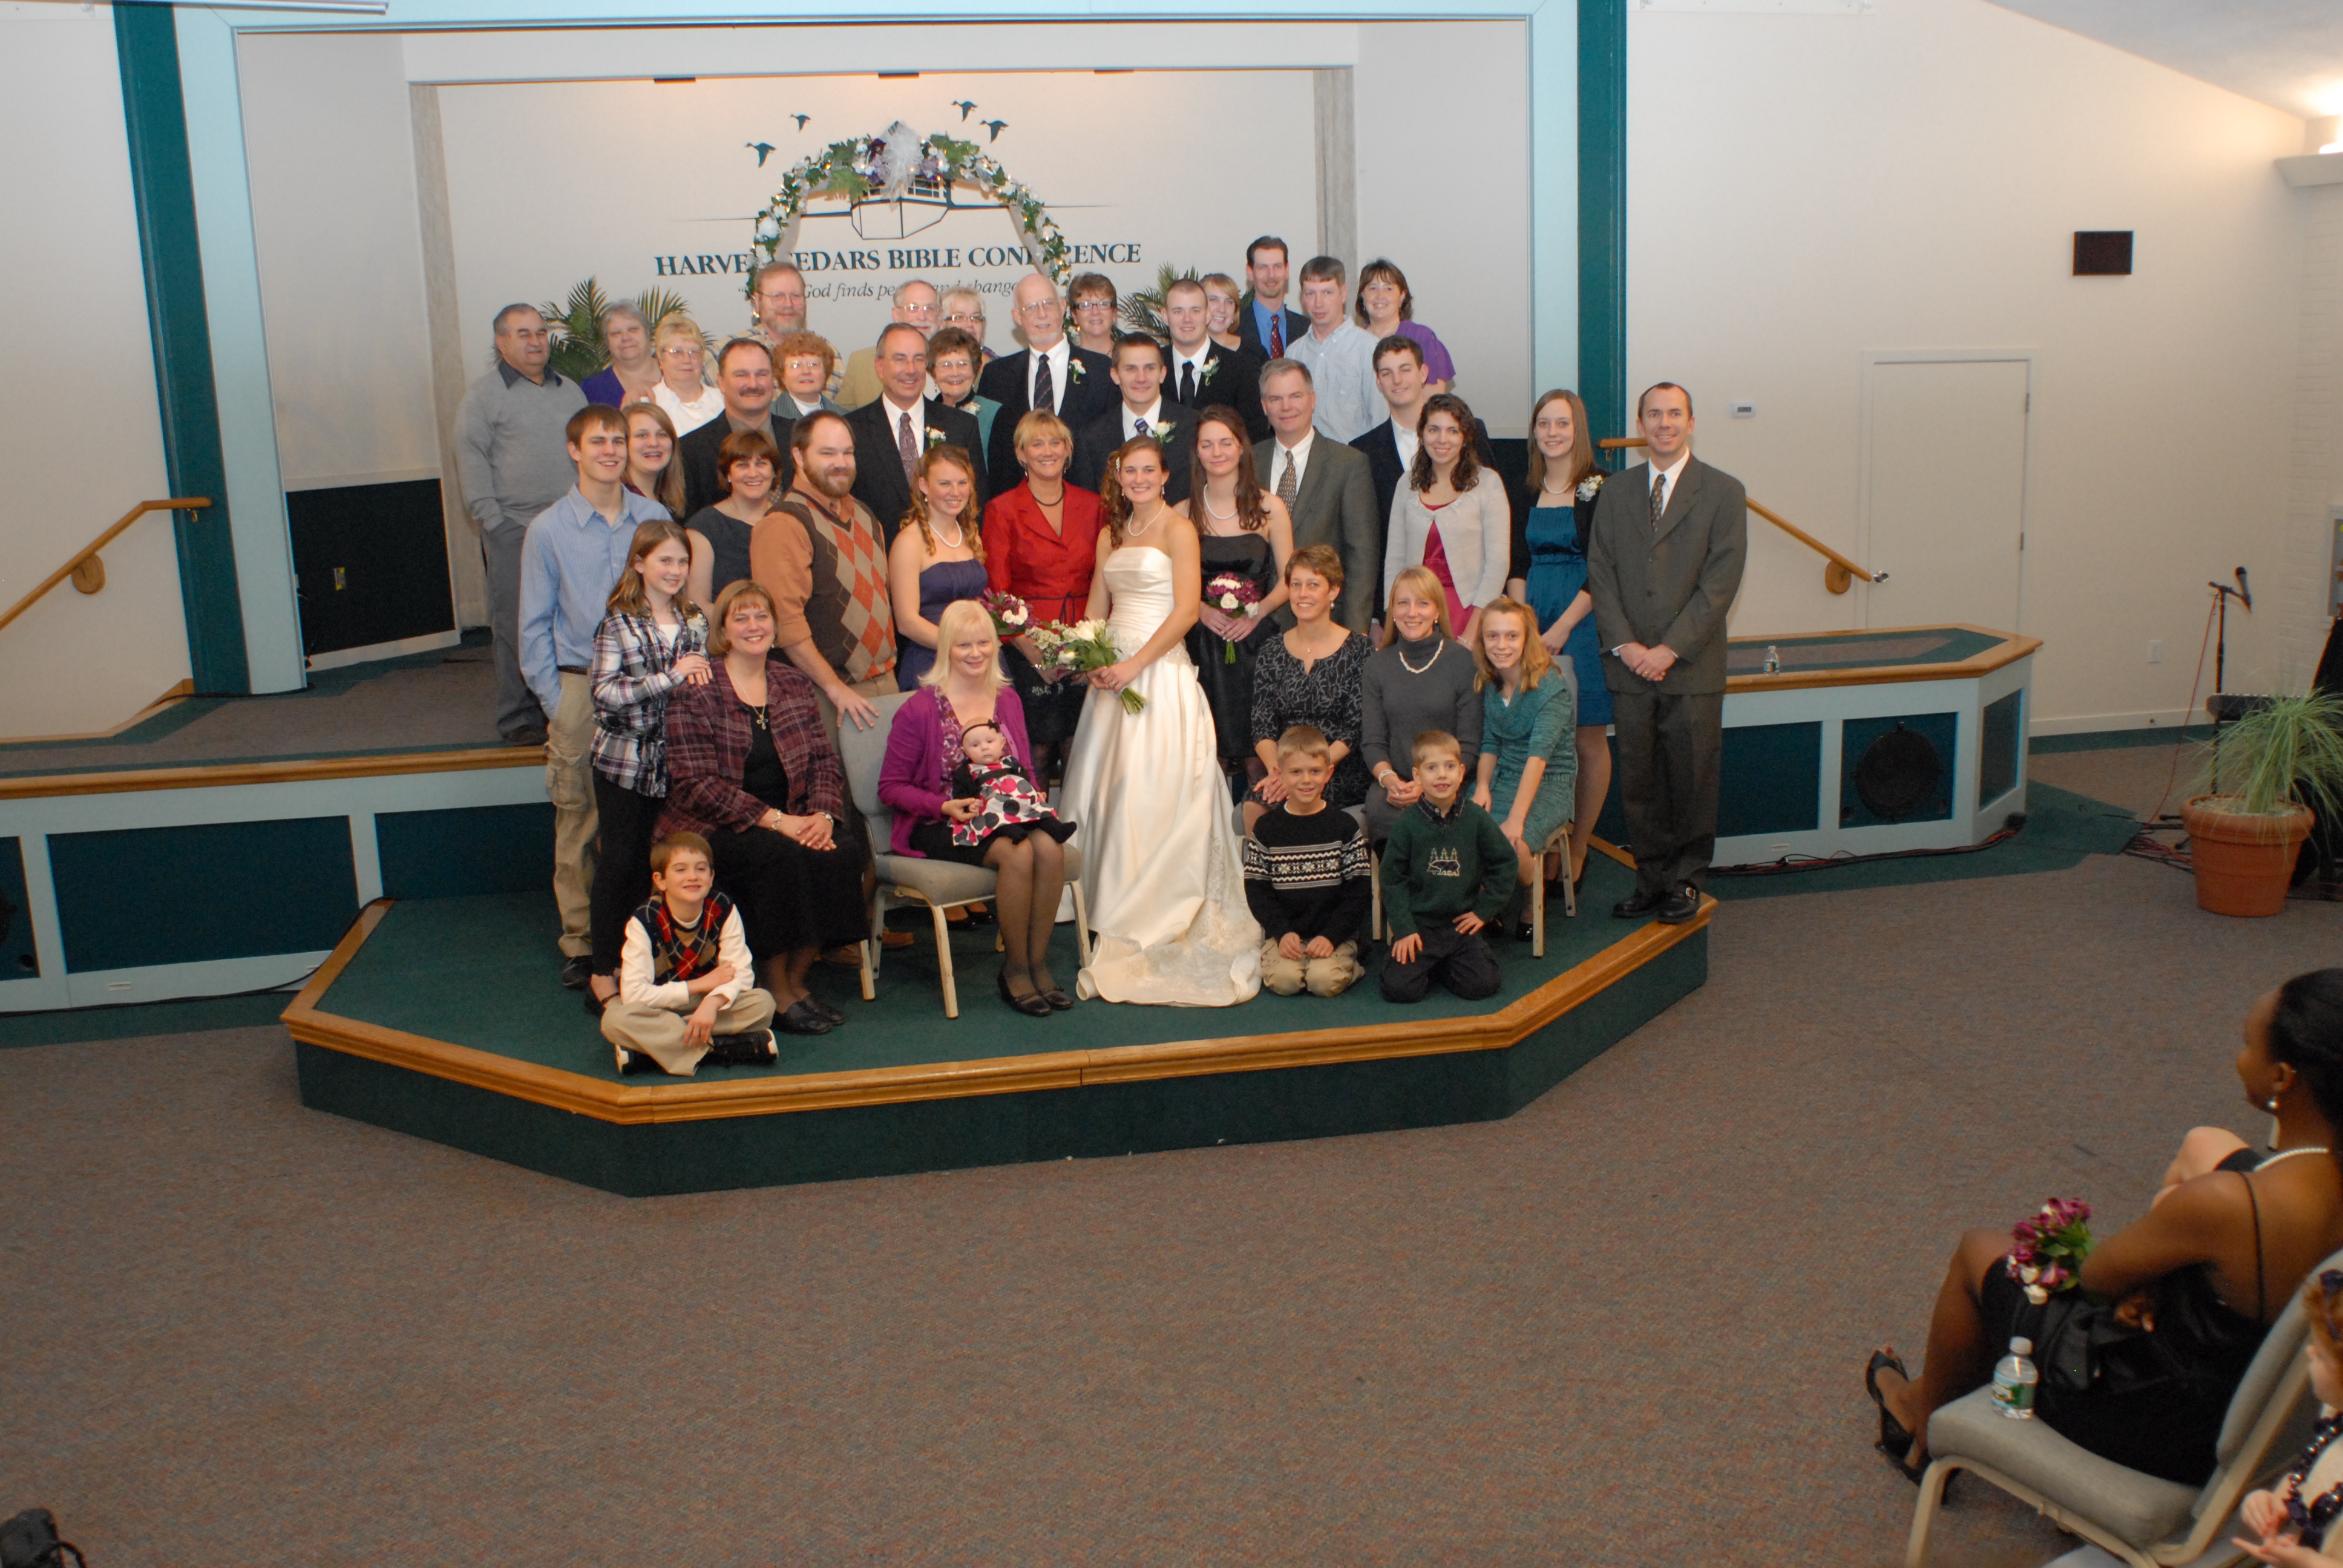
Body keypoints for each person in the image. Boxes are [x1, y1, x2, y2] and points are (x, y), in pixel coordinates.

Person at [1869, 973, 2343, 1489]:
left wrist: (2149, 1276)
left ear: (2282, 1077)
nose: (2239, 1057)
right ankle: (1927, 1396)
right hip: (2264, 1421)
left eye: (2247, 1044)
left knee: (1978, 1251)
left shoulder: (2228, 1204)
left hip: (2156, 1422)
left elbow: (2098, 1276)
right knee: (2205, 1151)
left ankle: (1919, 1427)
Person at [1057, 437, 1262, 1006]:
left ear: (1166, 476)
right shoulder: (1111, 533)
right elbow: (1097, 606)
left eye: (1149, 470)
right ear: (1119, 477)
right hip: (1111, 679)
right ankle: (1099, 899)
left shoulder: (1179, 530)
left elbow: (1187, 610)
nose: (1139, 479)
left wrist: (1134, 666)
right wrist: (1091, 655)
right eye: (1130, 471)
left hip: (1158, 673)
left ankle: (1147, 902)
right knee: (1107, 789)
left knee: (1150, 789)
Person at [658, 580, 869, 1037]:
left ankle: (798, 979)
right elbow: (695, 784)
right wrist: (778, 822)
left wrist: (822, 816)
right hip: (715, 825)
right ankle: (774, 989)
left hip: (794, 815)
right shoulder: (698, 689)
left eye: (762, 616)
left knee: (842, 850)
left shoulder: (793, 682)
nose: (754, 626)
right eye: (742, 618)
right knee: (778, 857)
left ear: (775, 626)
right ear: (723, 631)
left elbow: (823, 760)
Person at [519, 403, 673, 990]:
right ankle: (584, 943)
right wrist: (559, 703)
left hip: (651, 685)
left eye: (618, 441)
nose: (610, 451)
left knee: (648, 816)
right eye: (598, 442)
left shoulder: (652, 516)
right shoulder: (548, 530)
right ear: (574, 451)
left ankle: (645, 932)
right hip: (581, 686)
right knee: (581, 818)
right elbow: (532, 626)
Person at [1585, 381, 1747, 926]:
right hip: (1629, 667)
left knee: (1692, 780)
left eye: (1674, 414)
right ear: (1641, 424)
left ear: (1691, 422)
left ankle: (1686, 881)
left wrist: (1670, 649)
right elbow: (1601, 572)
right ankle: (1651, 880)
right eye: (1654, 414)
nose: (1664, 423)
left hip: (1692, 668)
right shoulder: (1616, 492)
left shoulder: (1723, 492)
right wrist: (1629, 646)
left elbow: (1720, 584)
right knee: (1640, 782)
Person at [877, 600, 1074, 1014]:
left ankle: (1038, 964)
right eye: (963, 644)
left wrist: (1034, 799)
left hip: (1005, 812)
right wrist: (943, 805)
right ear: (946, 648)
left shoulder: (1008, 699)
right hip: (941, 820)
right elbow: (890, 788)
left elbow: (1024, 766)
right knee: (1017, 854)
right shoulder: (920, 708)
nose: (975, 653)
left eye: (983, 643)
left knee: (1050, 847)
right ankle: (1015, 971)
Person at [585, 520, 710, 1012]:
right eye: (665, 560)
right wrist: (669, 678)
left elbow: (700, 681)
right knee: (619, 863)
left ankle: (641, 965)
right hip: (625, 762)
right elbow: (604, 693)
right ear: (639, 563)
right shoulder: (618, 623)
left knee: (655, 868)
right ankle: (602, 970)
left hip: (675, 763)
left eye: (682, 561)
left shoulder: (694, 619)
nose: (675, 570)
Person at [456, 302, 586, 745]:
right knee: (517, 625)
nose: (535, 342)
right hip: (514, 527)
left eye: (541, 332)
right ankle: (519, 717)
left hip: (571, 525)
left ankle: (569, 711)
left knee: (571, 619)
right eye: (523, 334)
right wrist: (493, 521)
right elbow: (470, 456)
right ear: (502, 343)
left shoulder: (570, 391)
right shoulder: (482, 397)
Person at [1507, 389, 1613, 887]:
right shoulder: (1524, 489)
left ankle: (1580, 844)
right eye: (1544, 423)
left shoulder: (1599, 487)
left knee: (1586, 738)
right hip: (1531, 621)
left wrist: (1563, 627)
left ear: (1578, 430)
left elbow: (1603, 567)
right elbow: (1516, 563)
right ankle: (1546, 836)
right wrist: (1525, 625)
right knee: (1540, 737)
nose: (1552, 433)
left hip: (1582, 621)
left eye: (1562, 423)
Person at [750, 411, 895, 734]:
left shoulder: (865, 515)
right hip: (827, 695)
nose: (841, 463)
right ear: (799, 457)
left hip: (885, 683)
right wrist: (834, 688)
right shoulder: (784, 524)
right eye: (827, 453)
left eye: (847, 452)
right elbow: (785, 623)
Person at [981, 410, 1102, 783]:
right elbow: (995, 593)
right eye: (1037, 444)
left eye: (1055, 443)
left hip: (1085, 642)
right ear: (1021, 454)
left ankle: (1078, 818)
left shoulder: (1094, 506)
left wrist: (1093, 648)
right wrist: (1032, 652)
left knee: (1082, 745)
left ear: (1068, 451)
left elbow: (1106, 578)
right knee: (1040, 747)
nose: (1047, 451)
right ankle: (1039, 814)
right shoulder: (1001, 510)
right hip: (1027, 645)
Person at [601, 832, 779, 1076]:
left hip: (706, 1005)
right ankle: (722, 1049)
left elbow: (742, 975)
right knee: (615, 1020)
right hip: (660, 1007)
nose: (693, 876)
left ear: (711, 876)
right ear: (661, 880)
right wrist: (701, 984)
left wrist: (712, 1003)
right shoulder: (645, 920)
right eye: (680, 870)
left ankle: (654, 1051)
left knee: (763, 1004)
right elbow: (635, 994)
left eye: (701, 869)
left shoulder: (723, 909)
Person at [1184, 406, 1292, 784]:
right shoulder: (1184, 512)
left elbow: (1290, 579)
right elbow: (1172, 582)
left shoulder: (1270, 508)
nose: (1217, 452)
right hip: (1202, 642)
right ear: (1197, 451)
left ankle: (1258, 818)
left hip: (1254, 643)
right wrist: (1200, 610)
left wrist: (1257, 613)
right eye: (1207, 444)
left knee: (1257, 754)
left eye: (1225, 443)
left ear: (1242, 447)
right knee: (1205, 751)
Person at [1470, 597, 1577, 936]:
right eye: (1493, 636)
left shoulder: (1551, 688)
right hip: (1502, 776)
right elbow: (1490, 743)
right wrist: (1482, 786)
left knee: (1512, 847)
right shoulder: (1492, 682)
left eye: (1512, 636)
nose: (1501, 645)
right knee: (1464, 833)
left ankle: (1532, 893)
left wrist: (1516, 819)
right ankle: (1489, 901)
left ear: (1527, 639)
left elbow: (1538, 758)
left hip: (1548, 782)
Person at [1378, 730, 1510, 1004]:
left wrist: (1484, 911)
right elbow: (1392, 880)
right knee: (1399, 989)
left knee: (1484, 985)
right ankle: (1432, 965)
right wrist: (1404, 929)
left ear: (1461, 773)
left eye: (1450, 767)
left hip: (1461, 926)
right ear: (1417, 776)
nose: (1441, 775)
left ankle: (1443, 966)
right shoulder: (1406, 824)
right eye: (1432, 768)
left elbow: (1505, 862)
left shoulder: (1476, 818)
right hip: (1420, 926)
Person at [1245, 546, 1369, 832]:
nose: (1303, 594)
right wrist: (1281, 771)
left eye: (1313, 585)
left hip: (1336, 767)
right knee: (1254, 805)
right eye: (1296, 585)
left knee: (1308, 801)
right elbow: (1262, 725)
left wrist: (1312, 772)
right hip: (1285, 766)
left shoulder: (1359, 649)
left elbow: (1354, 730)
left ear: (1333, 591)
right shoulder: (1272, 649)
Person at [1242, 725, 1371, 999]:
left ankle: (1350, 964)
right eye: (1296, 772)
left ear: (1328, 773)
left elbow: (1358, 892)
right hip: (1287, 935)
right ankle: (1292, 959)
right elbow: (1257, 891)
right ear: (1279, 774)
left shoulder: (1344, 826)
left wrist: (1332, 936)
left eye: (1315, 771)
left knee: (1323, 982)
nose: (1306, 780)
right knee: (1285, 983)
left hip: (1333, 934)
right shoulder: (1266, 829)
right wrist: (1281, 933)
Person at [1353, 336, 1501, 569]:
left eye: (1405, 369)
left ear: (1423, 374)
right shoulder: (1362, 452)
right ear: (1378, 382)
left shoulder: (1469, 433)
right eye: (1387, 373)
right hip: (1399, 583)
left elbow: (1495, 516)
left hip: (1467, 580)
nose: (1397, 380)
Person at [1361, 566, 1483, 848]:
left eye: (1423, 603)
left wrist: (1428, 784)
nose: (1412, 612)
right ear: (1392, 611)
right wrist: (1389, 780)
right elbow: (1373, 742)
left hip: (1449, 783)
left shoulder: (1464, 662)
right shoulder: (1377, 665)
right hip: (1394, 787)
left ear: (1438, 610)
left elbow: (1470, 744)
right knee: (1381, 812)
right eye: (1403, 603)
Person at [1254, 361, 1378, 636]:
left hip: (1326, 626)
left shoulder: (1348, 464)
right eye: (1276, 399)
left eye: (1295, 396)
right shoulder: (1248, 462)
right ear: (1264, 406)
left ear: (1313, 400)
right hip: (1255, 628)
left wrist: (1355, 635)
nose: (1286, 407)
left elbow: (1362, 557)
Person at [1383, 392, 1509, 648]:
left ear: (1465, 437)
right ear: (1422, 433)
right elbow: (1395, 560)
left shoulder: (1488, 483)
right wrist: (1394, 620)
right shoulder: (1406, 484)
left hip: (1470, 613)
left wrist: (1471, 634)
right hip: (1416, 615)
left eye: (1453, 431)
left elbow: (1498, 564)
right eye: (1434, 430)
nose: (1442, 439)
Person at [2235, 1272, 2343, 1565]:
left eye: (2321, 1354)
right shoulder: (2336, 1415)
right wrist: (2271, 1503)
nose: (2310, 1351)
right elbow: (2308, 1478)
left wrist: (2308, 1563)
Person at [977, 273, 1118, 495]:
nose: (1042, 314)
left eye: (1048, 304)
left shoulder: (1103, 371)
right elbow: (993, 458)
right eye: (1031, 307)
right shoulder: (996, 376)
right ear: (1017, 316)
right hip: (1017, 507)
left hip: (1089, 504)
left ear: (1062, 307)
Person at [845, 321, 983, 546]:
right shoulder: (852, 430)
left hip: (948, 558)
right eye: (900, 359)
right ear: (880, 367)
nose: (910, 369)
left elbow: (977, 506)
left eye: (919, 359)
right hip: (877, 557)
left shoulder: (961, 426)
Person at [887, 445, 988, 689]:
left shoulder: (972, 536)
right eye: (945, 484)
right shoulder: (909, 542)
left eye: (962, 483)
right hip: (932, 662)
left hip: (977, 662)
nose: (955, 492)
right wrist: (959, 648)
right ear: (924, 486)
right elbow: (907, 622)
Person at [676, 338, 794, 518]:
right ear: (721, 383)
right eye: (741, 375)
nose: (753, 384)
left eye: (762, 374)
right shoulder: (690, 451)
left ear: (773, 381)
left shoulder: (801, 439)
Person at [1072, 334, 1196, 503]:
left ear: (1162, 373)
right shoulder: (1092, 438)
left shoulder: (1193, 427)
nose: (1141, 378)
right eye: (1131, 369)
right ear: (1115, 375)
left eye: (1150, 368)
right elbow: (1090, 505)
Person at [683, 427, 780, 610]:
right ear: (728, 474)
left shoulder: (789, 520)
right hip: (722, 627)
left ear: (774, 472)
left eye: (761, 464)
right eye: (742, 465)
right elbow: (697, 605)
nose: (753, 473)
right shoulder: (704, 527)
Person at [1287, 256, 1381, 445]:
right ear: (1303, 298)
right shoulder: (1294, 354)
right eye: (1311, 294)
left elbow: (1379, 421)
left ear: (1343, 293)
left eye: (1328, 293)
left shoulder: (1369, 349)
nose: (1319, 303)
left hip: (1352, 458)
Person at [1164, 277, 1266, 442]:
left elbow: (1255, 436)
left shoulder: (1241, 367)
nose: (1187, 319)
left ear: (1207, 315)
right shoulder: (1152, 366)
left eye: (1195, 311)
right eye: (1178, 311)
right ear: (1165, 315)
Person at [749, 260, 844, 405]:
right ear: (757, 301)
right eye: (778, 296)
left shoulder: (827, 351)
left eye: (796, 296)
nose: (788, 304)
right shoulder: (727, 353)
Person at [1355, 260, 1455, 394]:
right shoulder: (1352, 341)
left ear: (1402, 297)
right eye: (1373, 288)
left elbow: (1432, 401)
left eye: (1388, 288)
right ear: (1363, 296)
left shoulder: (1422, 337)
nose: (1380, 296)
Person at [838, 278, 939, 410]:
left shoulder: (958, 364)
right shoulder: (861, 362)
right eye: (913, 308)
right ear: (896, 314)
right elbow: (841, 417)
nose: (922, 317)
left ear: (940, 316)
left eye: (929, 308)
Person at [929, 326, 1000, 454]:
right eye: (946, 365)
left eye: (962, 364)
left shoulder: (996, 414)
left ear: (974, 370)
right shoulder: (925, 415)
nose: (955, 373)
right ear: (933, 374)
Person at [650, 315, 724, 437]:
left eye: (694, 352)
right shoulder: (649, 406)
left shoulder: (724, 400)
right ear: (660, 358)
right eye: (677, 352)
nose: (687, 360)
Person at [581, 302, 661, 410]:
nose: (626, 338)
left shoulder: (675, 374)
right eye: (616, 333)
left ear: (647, 333)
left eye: (633, 329)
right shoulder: (592, 389)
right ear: (607, 342)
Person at [1237, 237, 1306, 362]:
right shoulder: (1234, 328)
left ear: (1287, 270)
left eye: (1277, 266)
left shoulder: (1307, 329)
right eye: (1263, 267)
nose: (1271, 275)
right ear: (1250, 273)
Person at [623, 402, 686, 521]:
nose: (654, 443)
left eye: (662, 435)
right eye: (642, 435)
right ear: (623, 444)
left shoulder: (669, 504)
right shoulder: (618, 504)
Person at [776, 329, 841, 420]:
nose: (806, 371)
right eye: (796, 365)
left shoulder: (845, 418)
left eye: (813, 365)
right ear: (782, 376)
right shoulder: (767, 417)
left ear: (825, 373)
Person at [1067, 272, 1119, 358]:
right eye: (1086, 305)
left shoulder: (1127, 360)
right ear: (1074, 315)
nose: (1095, 312)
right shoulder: (1065, 362)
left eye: (1103, 304)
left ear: (1114, 312)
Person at [939, 287, 995, 365]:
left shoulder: (997, 367)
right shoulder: (928, 364)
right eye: (959, 317)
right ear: (941, 324)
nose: (970, 324)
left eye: (976, 318)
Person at [1201, 272, 1245, 353]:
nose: (1222, 309)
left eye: (1229, 302)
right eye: (1214, 300)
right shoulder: (1183, 350)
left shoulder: (1255, 352)